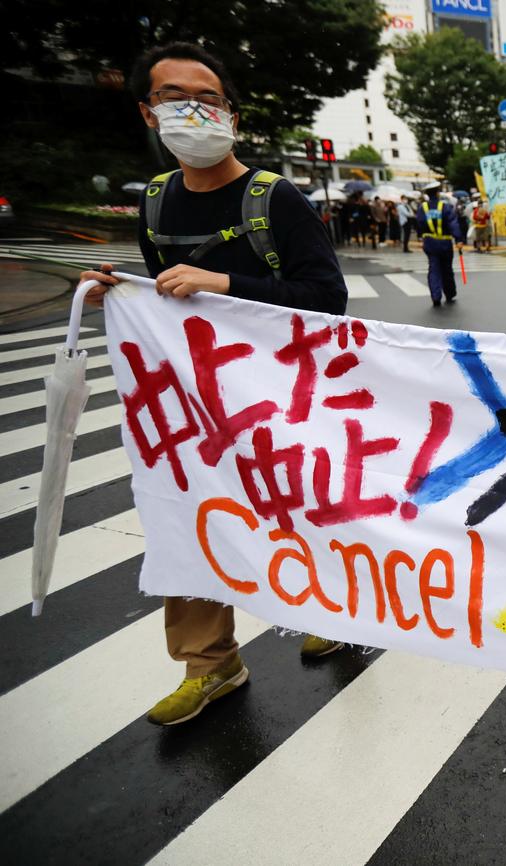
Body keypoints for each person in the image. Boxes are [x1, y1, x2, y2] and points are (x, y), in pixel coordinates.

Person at [78, 42, 348, 726]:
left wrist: (225, 283)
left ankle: (331, 609)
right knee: (191, 517)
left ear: (231, 111)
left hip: (286, 396)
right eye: (174, 98)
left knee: (298, 506)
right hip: (197, 400)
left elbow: (326, 296)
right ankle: (211, 662)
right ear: (148, 112)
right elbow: (163, 298)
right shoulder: (158, 202)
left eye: (208, 98)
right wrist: (118, 293)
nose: (192, 111)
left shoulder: (274, 197)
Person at [416, 178, 465, 308]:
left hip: (430, 242)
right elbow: (453, 223)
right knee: (447, 269)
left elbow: (419, 224)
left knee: (434, 268)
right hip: (444, 242)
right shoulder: (445, 207)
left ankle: (436, 296)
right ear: (438, 193)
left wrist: (421, 237)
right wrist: (458, 239)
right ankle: (450, 294)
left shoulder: (422, 208)